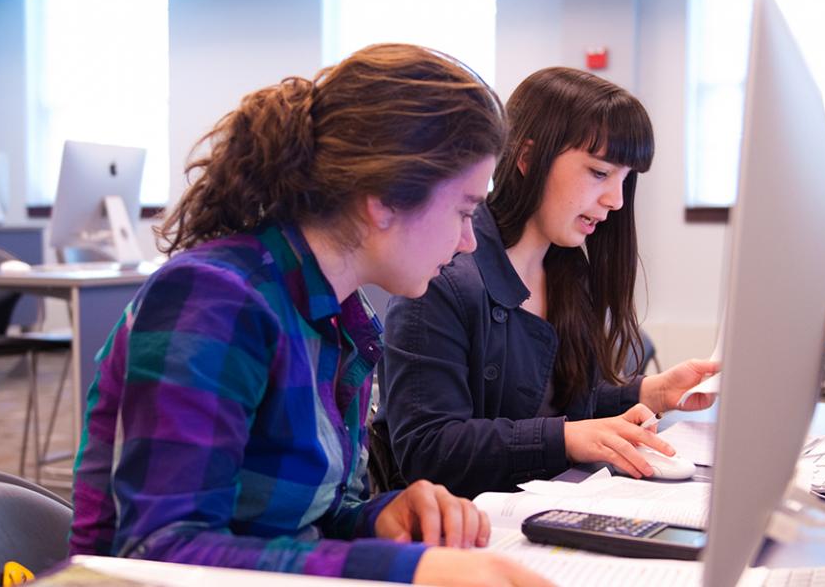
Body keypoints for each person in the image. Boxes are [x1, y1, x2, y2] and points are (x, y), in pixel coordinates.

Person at [68, 44, 552, 587]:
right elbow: (156, 553)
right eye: (464, 210)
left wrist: (378, 518)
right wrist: (408, 567)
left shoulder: (343, 317)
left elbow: (307, 524)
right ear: (385, 199)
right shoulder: (214, 301)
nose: (468, 242)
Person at [374, 67, 719, 499]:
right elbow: (429, 449)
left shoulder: (568, 271)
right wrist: (567, 440)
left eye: (624, 178)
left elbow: (553, 402)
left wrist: (652, 392)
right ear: (528, 158)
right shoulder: (441, 280)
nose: (615, 200)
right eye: (599, 173)